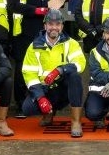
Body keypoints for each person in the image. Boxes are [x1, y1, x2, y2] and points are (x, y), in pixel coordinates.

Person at [21, 9, 85, 137]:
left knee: (75, 77)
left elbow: (80, 64)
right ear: (45, 26)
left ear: (62, 26)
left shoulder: (71, 43)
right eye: (50, 24)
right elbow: (29, 74)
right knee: (27, 108)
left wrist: (60, 70)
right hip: (45, 89)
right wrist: (40, 97)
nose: (54, 28)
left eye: (57, 24)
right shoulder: (34, 46)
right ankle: (48, 113)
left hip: (64, 89)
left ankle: (76, 122)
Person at [7, 0, 53, 117]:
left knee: (41, 66)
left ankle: (40, 101)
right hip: (23, 32)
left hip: (42, 30)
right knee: (22, 68)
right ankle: (21, 105)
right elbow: (12, 6)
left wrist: (55, 4)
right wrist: (36, 11)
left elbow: (47, 1)